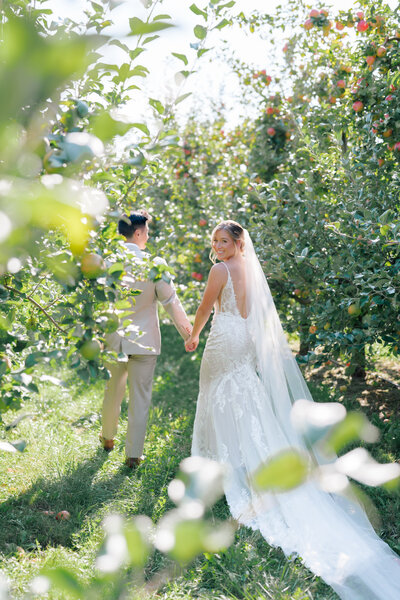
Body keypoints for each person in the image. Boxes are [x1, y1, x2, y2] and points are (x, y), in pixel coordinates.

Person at [185, 220, 400, 600]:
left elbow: (206, 307)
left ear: (237, 242)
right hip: (245, 339)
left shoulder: (220, 270)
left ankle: (219, 463)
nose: (217, 246)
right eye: (214, 240)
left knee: (218, 393)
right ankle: (245, 458)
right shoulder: (249, 267)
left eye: (223, 240)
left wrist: (194, 333)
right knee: (244, 395)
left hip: (224, 338)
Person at [100, 210, 192, 468]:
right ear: (138, 232)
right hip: (145, 341)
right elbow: (170, 302)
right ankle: (133, 455)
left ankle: (107, 438)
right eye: (147, 232)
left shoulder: (107, 262)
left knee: (112, 391)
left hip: (114, 339)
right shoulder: (155, 264)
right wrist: (188, 333)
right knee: (140, 397)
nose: (148, 236)